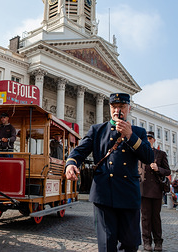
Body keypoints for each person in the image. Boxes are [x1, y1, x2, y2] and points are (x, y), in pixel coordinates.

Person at [65, 93, 154, 252]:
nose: (117, 111)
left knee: (130, 244)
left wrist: (130, 136)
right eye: (114, 107)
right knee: (107, 244)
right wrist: (71, 164)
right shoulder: (97, 130)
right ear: (110, 108)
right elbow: (79, 151)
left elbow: (149, 157)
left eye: (121, 107)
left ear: (128, 108)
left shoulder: (138, 132)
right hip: (104, 194)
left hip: (128, 194)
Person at [139, 131, 171, 251]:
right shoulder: (140, 153)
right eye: (146, 138)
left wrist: (159, 169)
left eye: (150, 138)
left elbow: (168, 171)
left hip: (156, 189)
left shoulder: (161, 154)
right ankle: (147, 242)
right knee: (145, 217)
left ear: (154, 140)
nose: (148, 140)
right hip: (143, 189)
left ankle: (158, 242)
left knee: (156, 218)